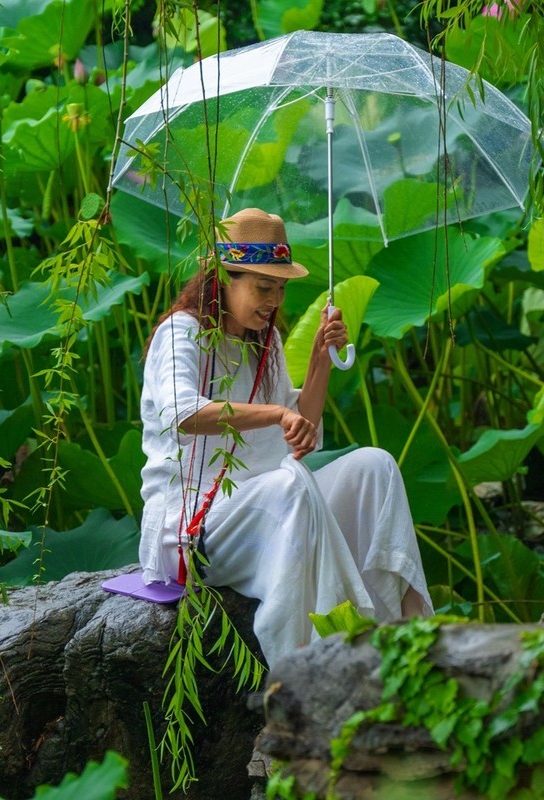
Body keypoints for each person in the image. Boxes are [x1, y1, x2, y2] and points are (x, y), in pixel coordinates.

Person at [138, 207, 433, 664]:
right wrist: (276, 413)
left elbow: (301, 434)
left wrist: (318, 361)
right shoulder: (181, 332)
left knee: (374, 466)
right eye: (262, 287)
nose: (274, 301)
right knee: (292, 483)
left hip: (272, 503)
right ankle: (317, 664)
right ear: (223, 278)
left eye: (280, 288)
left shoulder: (265, 342)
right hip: (192, 526)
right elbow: (181, 412)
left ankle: (408, 632)